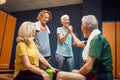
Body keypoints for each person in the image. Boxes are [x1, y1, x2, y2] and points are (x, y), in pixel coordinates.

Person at [70, 15, 113, 80]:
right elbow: (78, 43)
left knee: (60, 75)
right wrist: (71, 32)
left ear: (85, 27)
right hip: (95, 73)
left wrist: (78, 73)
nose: (81, 27)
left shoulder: (96, 40)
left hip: (100, 76)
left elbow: (87, 67)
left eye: (81, 25)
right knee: (72, 72)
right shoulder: (93, 38)